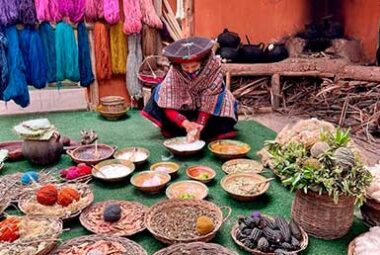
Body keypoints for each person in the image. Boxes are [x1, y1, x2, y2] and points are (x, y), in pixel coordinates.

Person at [141, 36, 238, 142]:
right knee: (160, 94)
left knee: (224, 101)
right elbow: (167, 104)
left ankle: (205, 131)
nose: (190, 71)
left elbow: (211, 99)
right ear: (179, 65)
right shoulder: (174, 73)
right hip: (184, 109)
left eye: (194, 66)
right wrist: (185, 124)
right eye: (186, 67)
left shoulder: (213, 68)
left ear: (203, 62)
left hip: (208, 109)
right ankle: (184, 129)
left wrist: (200, 124)